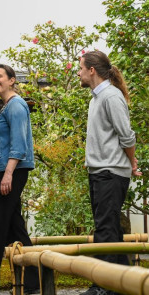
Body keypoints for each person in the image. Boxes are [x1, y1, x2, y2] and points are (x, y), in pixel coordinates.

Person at [77, 51, 142, 295]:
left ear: (92, 70)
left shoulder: (111, 97)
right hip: (99, 170)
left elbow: (127, 136)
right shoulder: (95, 99)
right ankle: (125, 283)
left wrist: (132, 162)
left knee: (104, 228)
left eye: (81, 68)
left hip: (111, 172)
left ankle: (102, 286)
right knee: (110, 228)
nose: (79, 73)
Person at [0, 64, 39, 295]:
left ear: (12, 80)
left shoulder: (16, 105)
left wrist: (7, 174)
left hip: (10, 172)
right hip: (2, 173)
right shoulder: (6, 107)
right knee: (16, 229)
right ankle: (34, 280)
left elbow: (18, 144)